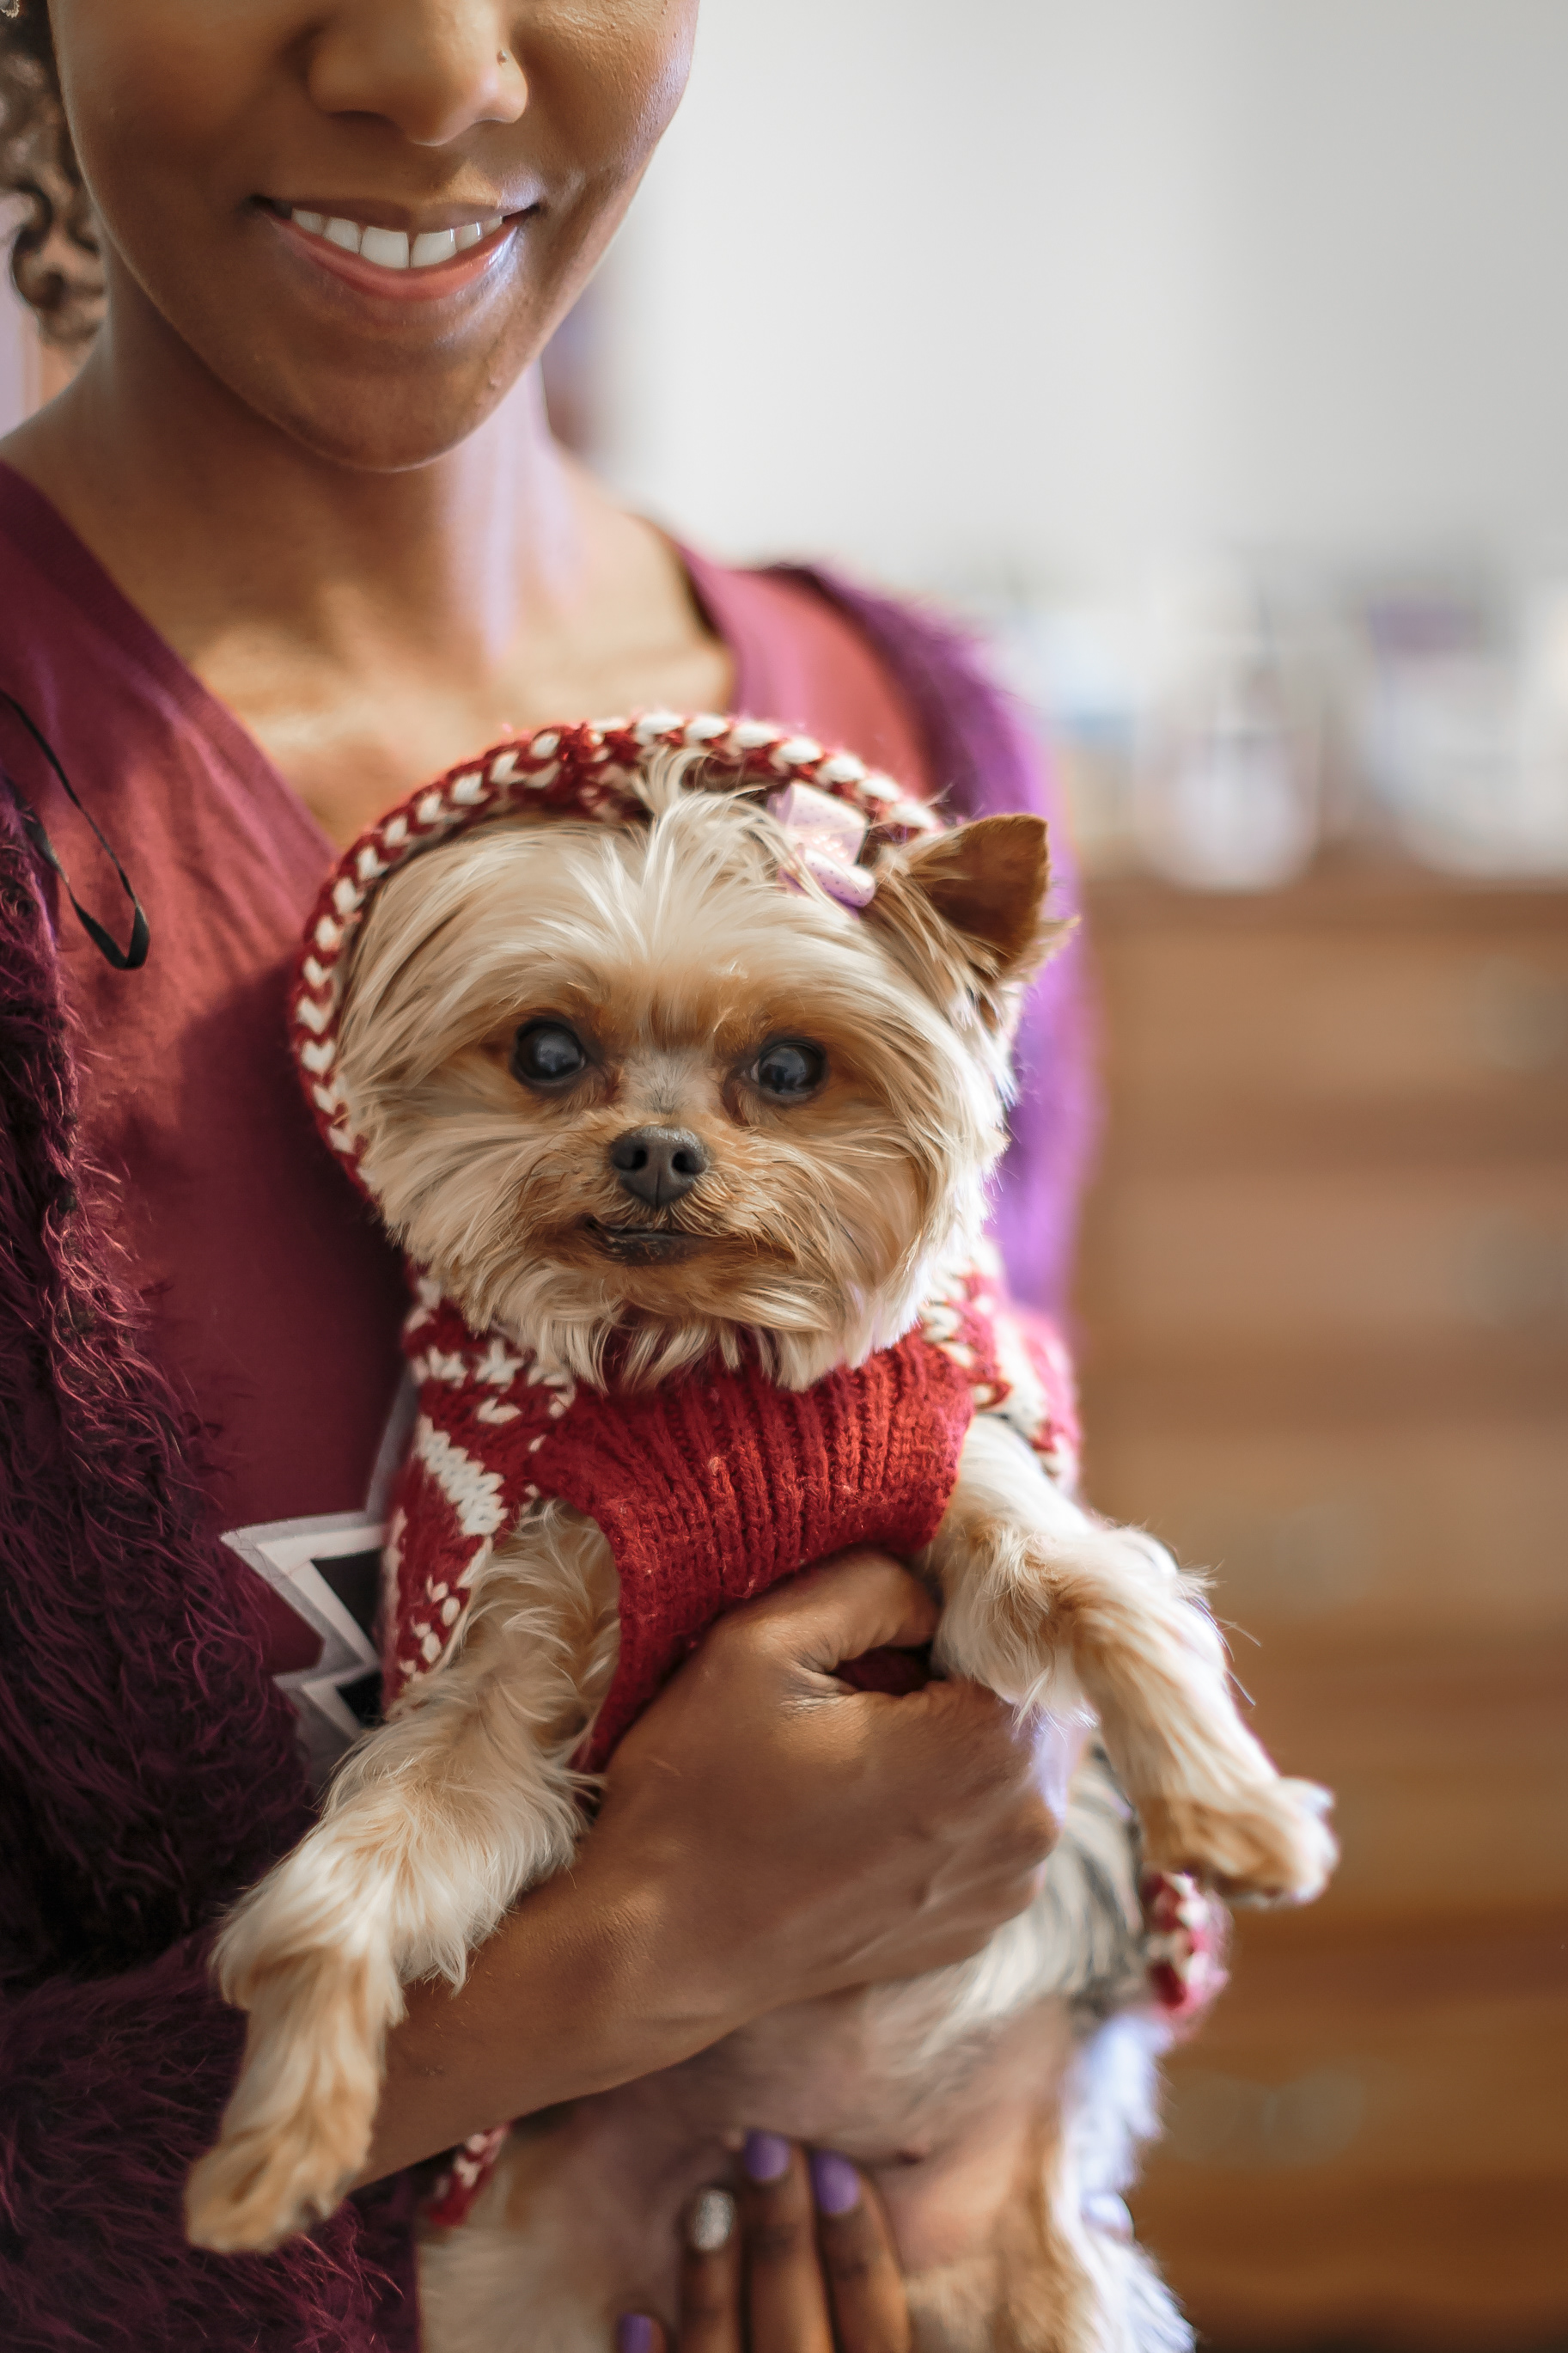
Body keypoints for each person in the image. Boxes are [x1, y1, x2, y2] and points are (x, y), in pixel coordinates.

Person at [0, 5, 1095, 2347]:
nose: (433, 65)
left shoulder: (906, 735)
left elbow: (1013, 1613)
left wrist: (995, 2163)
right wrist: (612, 1964)